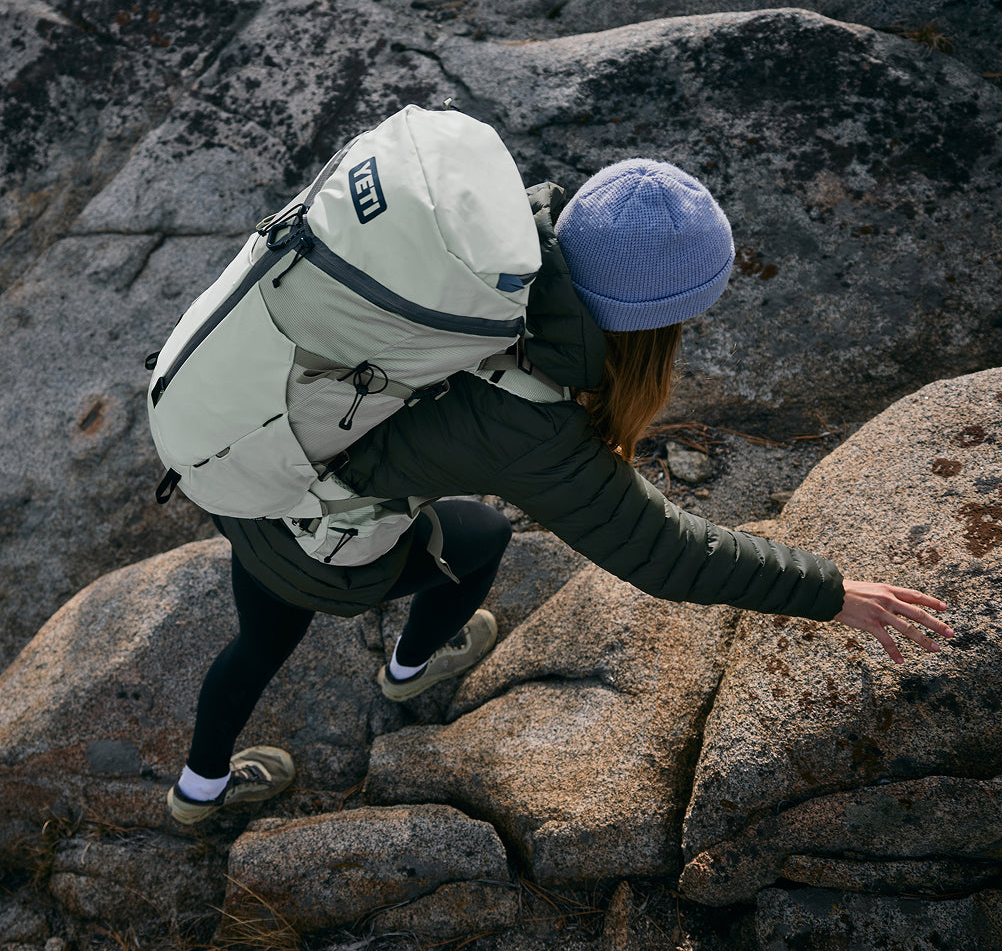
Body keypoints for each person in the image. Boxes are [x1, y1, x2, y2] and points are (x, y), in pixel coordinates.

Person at [165, 159, 953, 824]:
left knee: (257, 646)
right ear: (657, 325)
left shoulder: (482, 253)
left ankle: (195, 793)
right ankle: (407, 670)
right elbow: (663, 553)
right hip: (311, 542)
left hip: (242, 464)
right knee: (478, 542)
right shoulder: (535, 422)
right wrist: (830, 591)